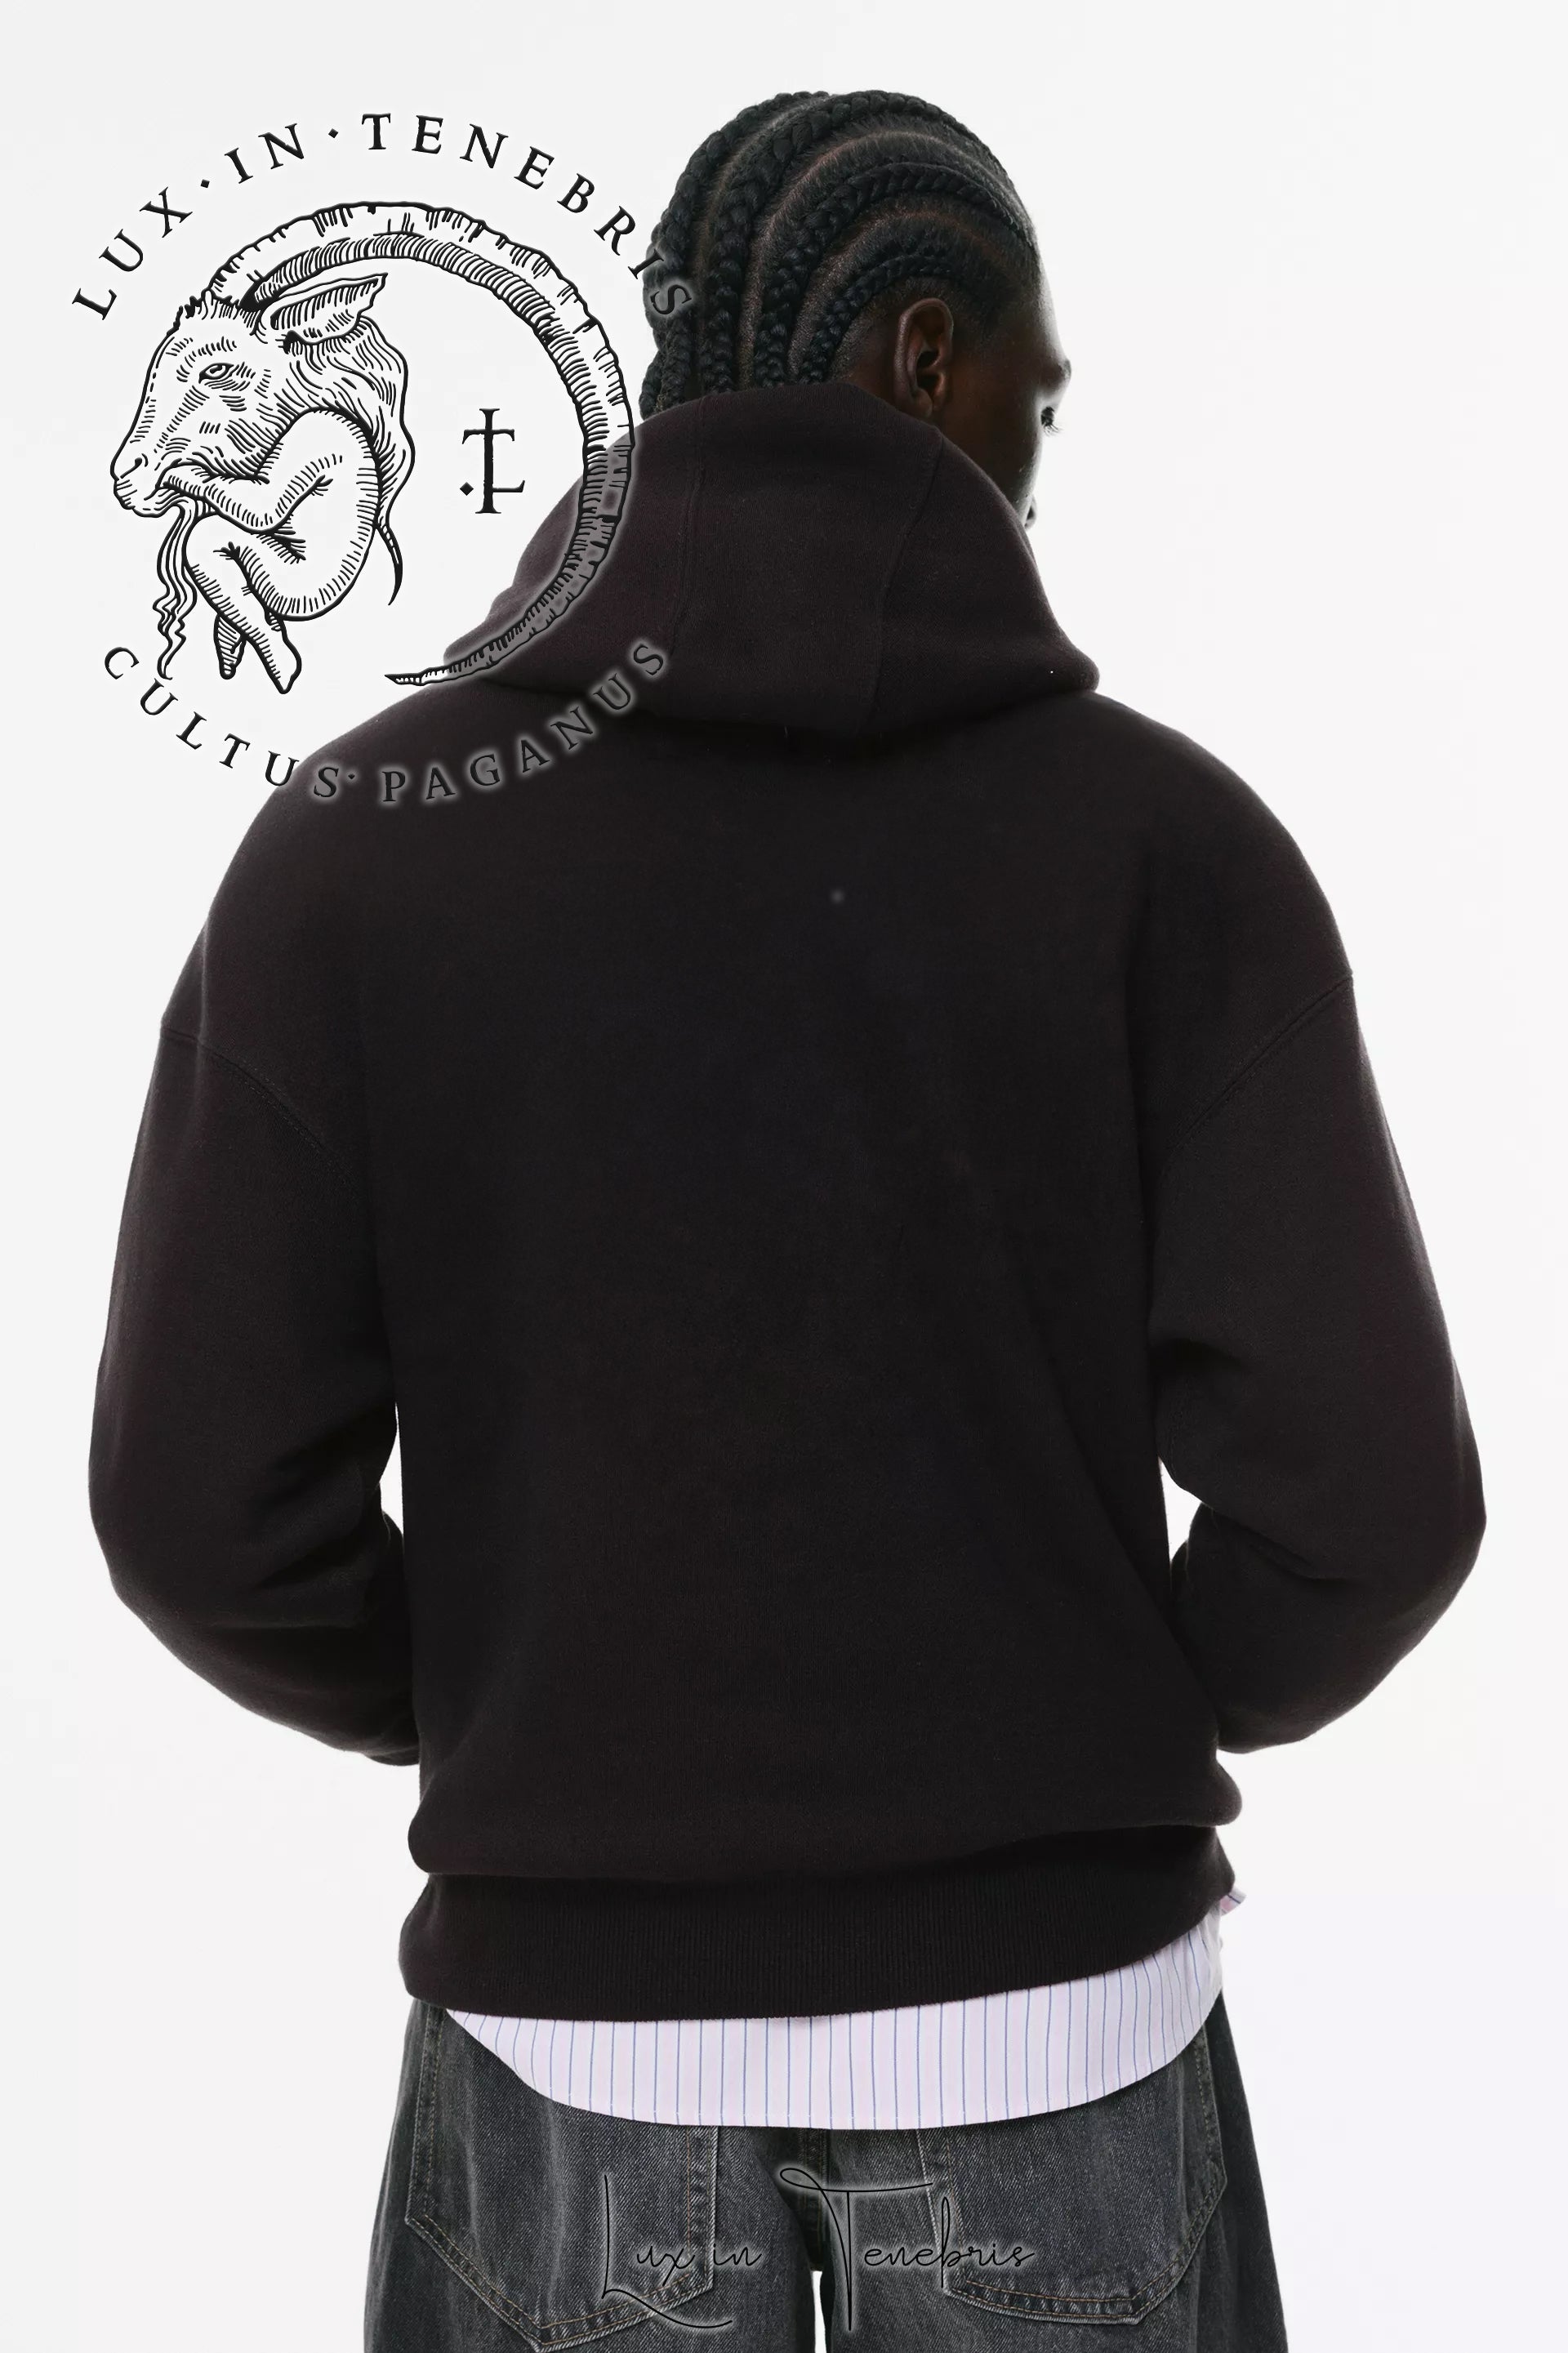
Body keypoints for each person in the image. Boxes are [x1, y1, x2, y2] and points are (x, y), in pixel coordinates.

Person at [89, 88, 1485, 2352]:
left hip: (569, 2056)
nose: (1042, 446)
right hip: (1063, 2030)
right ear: (924, 357)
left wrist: (528, 1713)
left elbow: (193, 1510)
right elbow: (1378, 1500)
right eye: (1038, 392)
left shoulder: (360, 850)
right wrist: (1092, 1710)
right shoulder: (1170, 853)